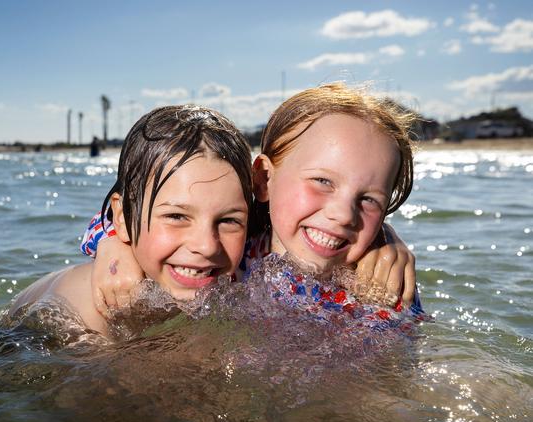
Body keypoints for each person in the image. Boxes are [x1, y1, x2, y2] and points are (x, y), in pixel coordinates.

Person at [83, 82, 421, 316]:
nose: (344, 214)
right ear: (264, 179)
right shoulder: (241, 241)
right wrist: (115, 246)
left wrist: (385, 238)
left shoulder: (379, 282)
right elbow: (117, 220)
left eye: (369, 200)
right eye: (321, 181)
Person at [9, 105, 254, 338]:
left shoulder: (245, 272)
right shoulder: (88, 306)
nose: (207, 245)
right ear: (122, 218)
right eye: (176, 216)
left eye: (229, 221)